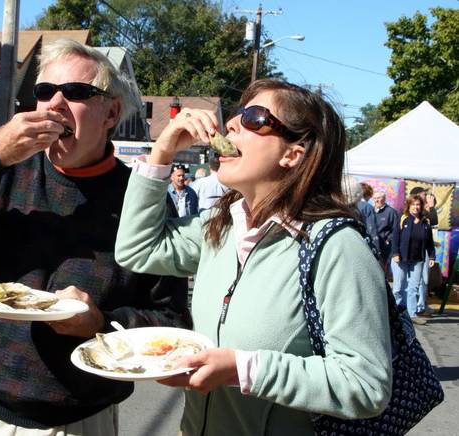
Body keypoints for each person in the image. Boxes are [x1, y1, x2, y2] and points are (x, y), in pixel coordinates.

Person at [0, 38, 190, 435]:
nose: (55, 104)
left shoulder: (141, 198)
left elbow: (171, 321)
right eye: (45, 92)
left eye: (77, 92)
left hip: (84, 420)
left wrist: (102, 322)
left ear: (111, 112)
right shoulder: (1, 173)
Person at [115, 79, 391, 435]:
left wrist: (243, 369)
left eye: (254, 118)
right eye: (235, 115)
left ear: (293, 153)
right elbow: (137, 249)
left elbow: (366, 385)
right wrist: (162, 151)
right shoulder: (220, 226)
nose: (231, 124)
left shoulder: (337, 246)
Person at [392, 194, 435, 325]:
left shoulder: (425, 222)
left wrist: (432, 256)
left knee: (413, 288)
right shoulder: (403, 219)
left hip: (418, 259)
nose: (416, 207)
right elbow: (395, 238)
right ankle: (397, 312)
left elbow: (429, 242)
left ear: (421, 206)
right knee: (398, 287)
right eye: (413, 204)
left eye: (418, 205)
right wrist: (395, 253)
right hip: (401, 258)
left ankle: (412, 314)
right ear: (409, 206)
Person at [373, 190, 400, 268]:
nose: (376, 200)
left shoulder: (391, 212)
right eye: (374, 198)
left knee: (383, 268)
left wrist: (388, 239)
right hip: (373, 244)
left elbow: (396, 229)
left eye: (378, 198)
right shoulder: (370, 211)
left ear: (384, 199)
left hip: (385, 247)